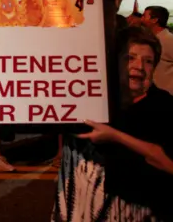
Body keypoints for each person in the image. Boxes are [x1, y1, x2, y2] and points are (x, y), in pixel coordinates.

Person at [52, 26, 173, 221]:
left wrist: (115, 136)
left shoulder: (164, 106)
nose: (139, 67)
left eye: (148, 61)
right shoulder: (92, 102)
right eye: (130, 58)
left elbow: (167, 162)